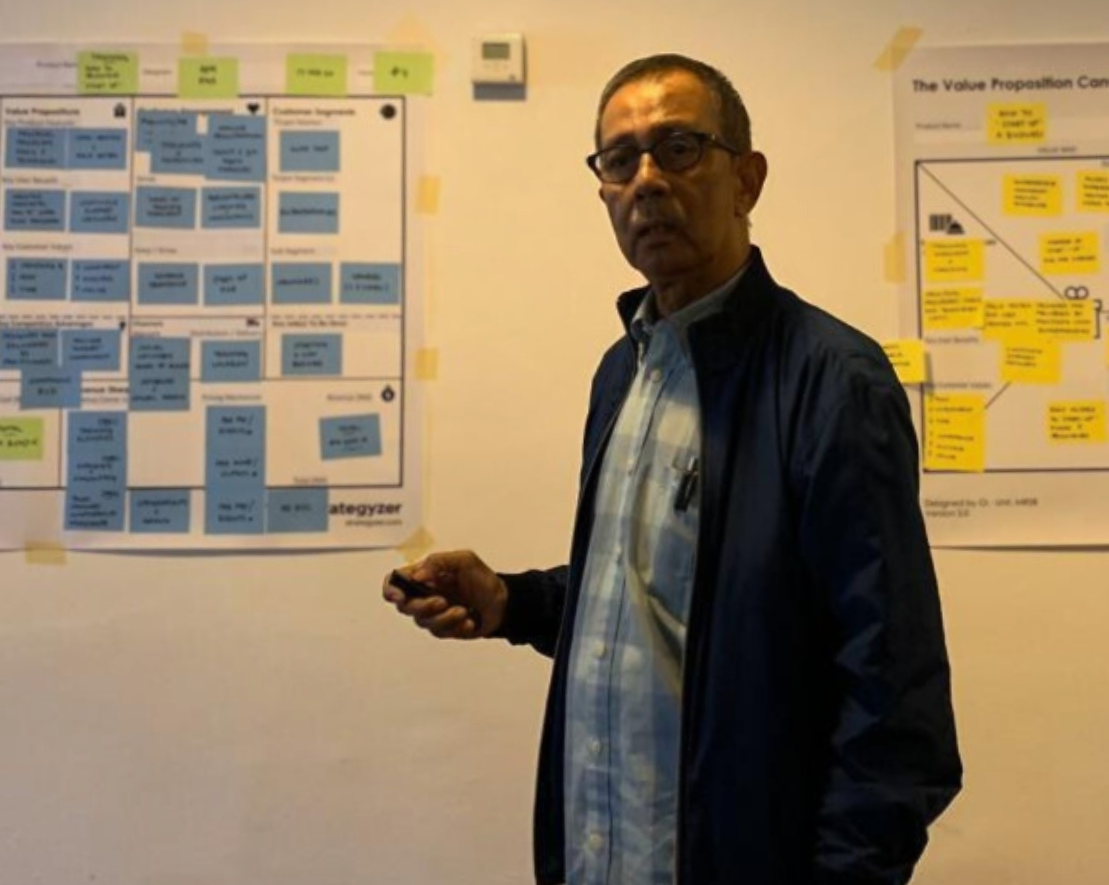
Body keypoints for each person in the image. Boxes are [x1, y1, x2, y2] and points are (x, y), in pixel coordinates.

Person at [383, 54, 961, 885]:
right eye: (620, 160)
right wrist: (513, 601)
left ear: (747, 179)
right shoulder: (624, 371)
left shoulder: (832, 381)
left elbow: (896, 697)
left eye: (679, 148)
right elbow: (665, 599)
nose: (647, 180)